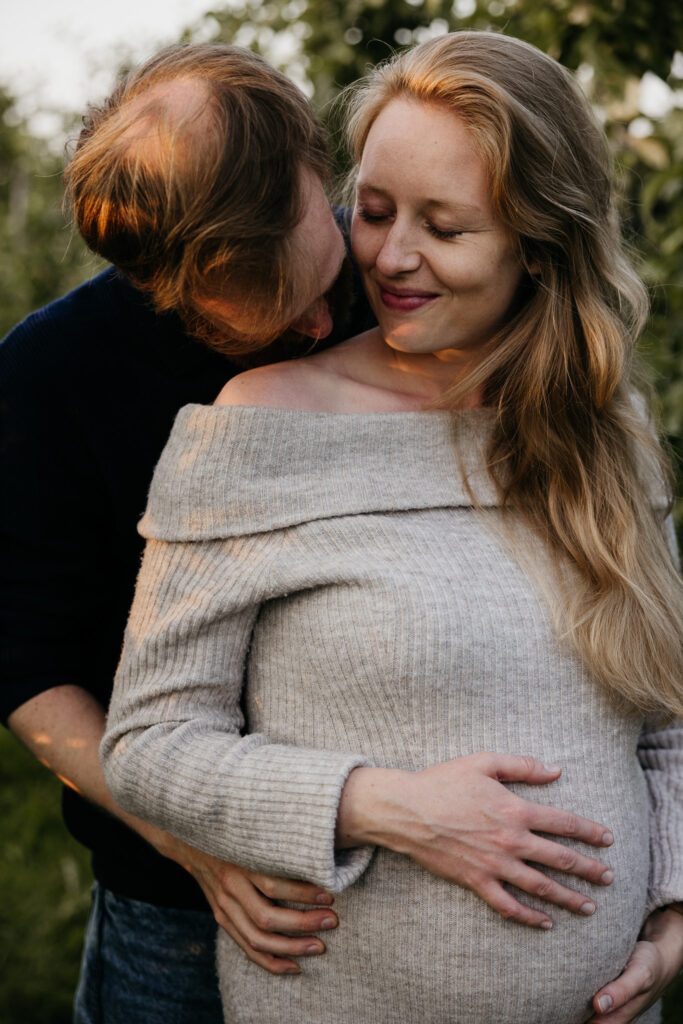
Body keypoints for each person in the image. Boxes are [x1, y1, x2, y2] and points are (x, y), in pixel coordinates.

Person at [100, 31, 683, 1024]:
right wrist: (383, 804)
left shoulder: (603, 431)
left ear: (538, 240)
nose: (390, 256)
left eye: (444, 228)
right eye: (371, 212)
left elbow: (666, 725)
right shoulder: (258, 425)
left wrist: (671, 905)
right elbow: (149, 745)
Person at [0, 42, 376, 1024]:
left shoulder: (409, 282)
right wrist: (189, 839)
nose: (318, 334)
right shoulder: (47, 378)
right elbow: (26, 666)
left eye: (324, 292)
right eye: (269, 322)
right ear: (155, 277)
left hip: (415, 875)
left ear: (311, 159)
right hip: (178, 905)